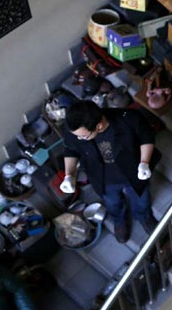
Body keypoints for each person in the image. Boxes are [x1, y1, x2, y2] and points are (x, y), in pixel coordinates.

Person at [61, 100, 158, 243]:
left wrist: (144, 163)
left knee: (141, 198)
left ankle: (144, 216)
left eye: (83, 137)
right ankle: (120, 221)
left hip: (133, 172)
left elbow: (147, 137)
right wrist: (69, 175)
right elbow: (71, 149)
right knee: (112, 203)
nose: (78, 139)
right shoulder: (74, 131)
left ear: (99, 126)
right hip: (102, 178)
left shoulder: (128, 118)